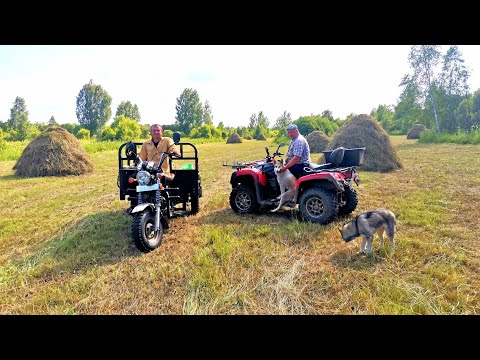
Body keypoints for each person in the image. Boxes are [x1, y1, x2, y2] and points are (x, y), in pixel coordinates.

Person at [125, 124, 180, 215]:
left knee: (160, 179)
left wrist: (175, 152)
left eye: (158, 130)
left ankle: (165, 203)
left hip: (161, 170)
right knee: (132, 179)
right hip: (148, 170)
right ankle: (134, 203)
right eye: (154, 130)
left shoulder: (167, 141)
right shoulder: (146, 144)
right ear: (150, 133)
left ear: (162, 132)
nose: (156, 132)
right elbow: (142, 158)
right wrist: (137, 163)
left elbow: (173, 148)